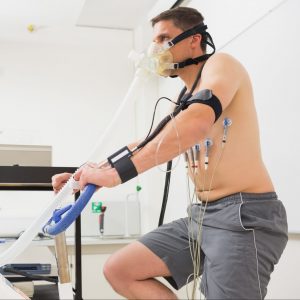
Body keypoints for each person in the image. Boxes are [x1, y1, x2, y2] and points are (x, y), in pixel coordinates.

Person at [52, 7, 288, 300]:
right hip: (202, 216)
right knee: (120, 269)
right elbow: (148, 141)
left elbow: (198, 123)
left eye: (164, 38)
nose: (155, 48)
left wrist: (116, 174)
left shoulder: (222, 65)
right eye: (154, 40)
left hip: (244, 215)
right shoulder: (181, 97)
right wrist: (87, 173)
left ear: (194, 39)